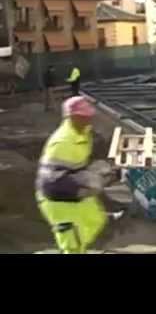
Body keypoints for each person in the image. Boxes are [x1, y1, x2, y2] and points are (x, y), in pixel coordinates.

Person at [36, 96, 109, 254]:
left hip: (71, 187)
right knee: (72, 242)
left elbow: (78, 163)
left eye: (89, 116)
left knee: (95, 219)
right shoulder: (62, 143)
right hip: (57, 198)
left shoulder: (83, 132)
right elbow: (52, 182)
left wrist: (95, 170)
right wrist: (86, 183)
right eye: (84, 117)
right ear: (72, 117)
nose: (89, 120)